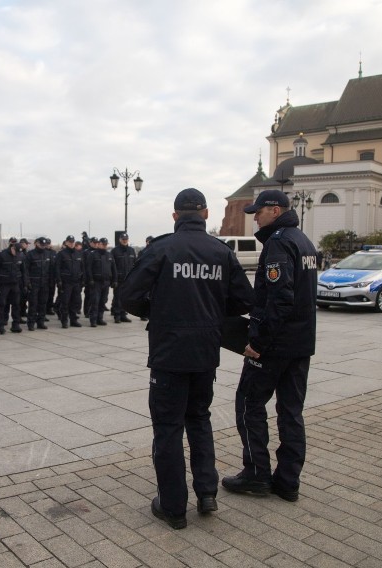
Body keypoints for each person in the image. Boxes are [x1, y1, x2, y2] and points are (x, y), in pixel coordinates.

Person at [117, 188, 254, 529]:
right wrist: (211, 312)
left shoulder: (161, 248)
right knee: (199, 419)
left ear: (175, 216)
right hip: (205, 352)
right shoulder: (221, 251)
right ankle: (207, 493)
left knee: (167, 428)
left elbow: (128, 296)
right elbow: (243, 300)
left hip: (168, 353)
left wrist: (158, 311)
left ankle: (173, 506)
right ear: (206, 214)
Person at [221, 189, 318, 503]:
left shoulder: (278, 242)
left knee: (248, 404)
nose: (254, 217)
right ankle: (288, 481)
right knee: (291, 412)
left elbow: (280, 299)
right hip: (300, 345)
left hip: (274, 345)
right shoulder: (303, 240)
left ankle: (257, 474)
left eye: (258, 212)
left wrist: (257, 342)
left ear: (275, 210)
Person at [0, 238, 27, 334]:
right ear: (12, 248)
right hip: (4, 284)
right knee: (2, 304)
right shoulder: (2, 255)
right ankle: (0, 325)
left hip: (15, 284)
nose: (16, 254)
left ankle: (15, 325)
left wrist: (25, 284)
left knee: (16, 304)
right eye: (15, 251)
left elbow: (24, 271)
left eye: (18, 252)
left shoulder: (21, 255)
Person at [53, 235, 84, 328]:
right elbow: (57, 268)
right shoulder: (61, 254)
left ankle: (73, 320)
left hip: (76, 282)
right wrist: (58, 281)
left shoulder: (78, 254)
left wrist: (83, 279)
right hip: (66, 282)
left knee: (75, 302)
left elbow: (82, 268)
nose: (71, 243)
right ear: (66, 243)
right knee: (65, 302)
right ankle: (64, 320)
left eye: (73, 242)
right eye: (70, 242)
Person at [85, 237, 116, 327]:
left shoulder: (109, 255)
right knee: (95, 301)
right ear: (99, 244)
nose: (104, 246)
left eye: (106, 244)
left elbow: (113, 268)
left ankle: (100, 318)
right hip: (96, 282)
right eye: (103, 244)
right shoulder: (93, 254)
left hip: (106, 282)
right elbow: (88, 268)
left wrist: (114, 280)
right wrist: (90, 279)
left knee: (103, 301)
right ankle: (93, 320)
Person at [24, 237, 52, 330]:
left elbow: (51, 269)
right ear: (36, 244)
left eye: (44, 245)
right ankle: (31, 323)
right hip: (34, 283)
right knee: (33, 304)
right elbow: (26, 270)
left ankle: (41, 322)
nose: (42, 246)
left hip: (45, 283)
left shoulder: (48, 254)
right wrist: (27, 282)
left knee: (43, 303)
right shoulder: (30, 254)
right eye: (41, 244)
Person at [111, 233, 136, 323]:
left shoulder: (131, 251)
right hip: (118, 279)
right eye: (123, 239)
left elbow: (135, 265)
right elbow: (111, 266)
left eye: (126, 239)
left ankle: (123, 314)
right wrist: (113, 279)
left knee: (125, 298)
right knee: (118, 298)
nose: (124, 240)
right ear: (120, 240)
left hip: (128, 279)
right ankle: (117, 315)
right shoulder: (115, 251)